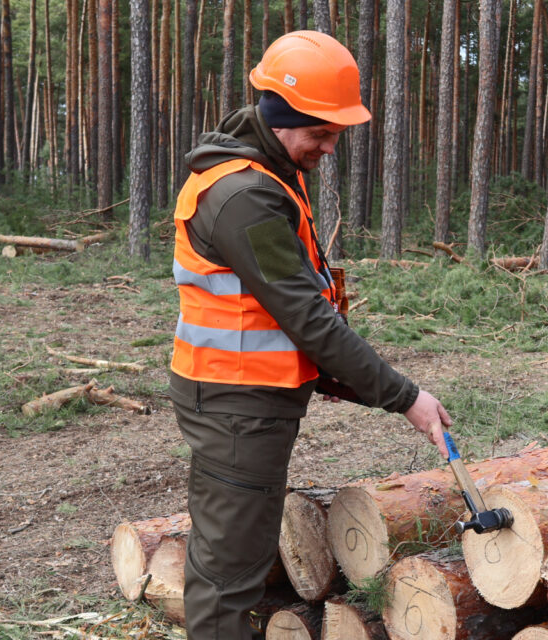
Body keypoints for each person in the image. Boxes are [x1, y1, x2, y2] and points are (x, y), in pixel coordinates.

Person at [168, 30, 452, 639]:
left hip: (247, 395)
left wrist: (339, 379)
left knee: (234, 552)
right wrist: (404, 396)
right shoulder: (242, 195)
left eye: (336, 133)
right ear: (280, 116)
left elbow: (284, 308)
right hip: (236, 402)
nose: (330, 146)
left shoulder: (270, 167)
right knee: (229, 577)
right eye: (320, 132)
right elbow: (305, 316)